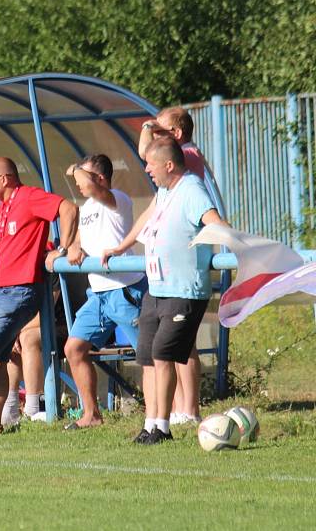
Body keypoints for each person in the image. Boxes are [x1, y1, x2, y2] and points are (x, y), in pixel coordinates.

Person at [102, 137, 228, 445]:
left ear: (169, 165)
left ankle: (163, 427)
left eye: (151, 164)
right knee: (146, 357)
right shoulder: (165, 191)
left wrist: (238, 247)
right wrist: (122, 246)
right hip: (156, 289)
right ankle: (149, 424)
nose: (147, 169)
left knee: (163, 355)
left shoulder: (192, 190)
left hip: (183, 290)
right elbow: (147, 217)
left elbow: (213, 221)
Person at [0, 157, 79, 435]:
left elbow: (68, 208)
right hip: (0, 291)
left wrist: (64, 248)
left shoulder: (28, 197)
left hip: (20, 292)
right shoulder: (3, 207)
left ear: (5, 179)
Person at [55, 154, 147, 430]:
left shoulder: (117, 198)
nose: (77, 183)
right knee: (74, 348)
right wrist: (72, 248)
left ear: (101, 179)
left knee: (150, 356)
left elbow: (95, 188)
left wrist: (76, 169)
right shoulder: (88, 207)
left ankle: (170, 413)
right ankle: (91, 414)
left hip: (124, 291)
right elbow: (78, 242)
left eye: (83, 177)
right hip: (99, 294)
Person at [138, 107, 209, 423]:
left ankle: (185, 410)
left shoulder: (187, 161)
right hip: (162, 282)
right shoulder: (167, 187)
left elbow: (145, 151)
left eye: (161, 130)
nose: (154, 134)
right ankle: (161, 417)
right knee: (163, 353)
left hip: (182, 282)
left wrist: (146, 127)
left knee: (175, 351)